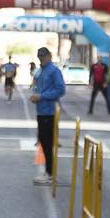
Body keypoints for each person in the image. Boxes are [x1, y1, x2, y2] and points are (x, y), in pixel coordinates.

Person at [30, 47, 65, 186]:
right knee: (44, 144)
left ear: (49, 56)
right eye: (39, 56)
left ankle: (50, 174)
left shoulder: (54, 71)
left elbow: (61, 89)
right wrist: (35, 94)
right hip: (41, 111)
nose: (41, 58)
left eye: (44, 56)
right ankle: (48, 172)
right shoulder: (41, 70)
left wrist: (41, 96)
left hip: (49, 112)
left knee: (48, 143)